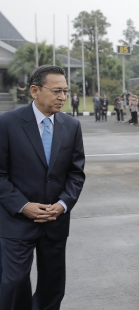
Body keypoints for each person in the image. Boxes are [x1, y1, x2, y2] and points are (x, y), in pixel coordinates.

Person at [0, 65, 86, 310]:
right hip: (16, 219)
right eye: (57, 91)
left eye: (65, 91)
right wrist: (23, 206)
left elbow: (76, 173)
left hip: (55, 220)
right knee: (14, 282)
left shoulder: (71, 126)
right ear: (35, 91)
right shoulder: (7, 123)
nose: (62, 97)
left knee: (53, 285)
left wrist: (62, 204)